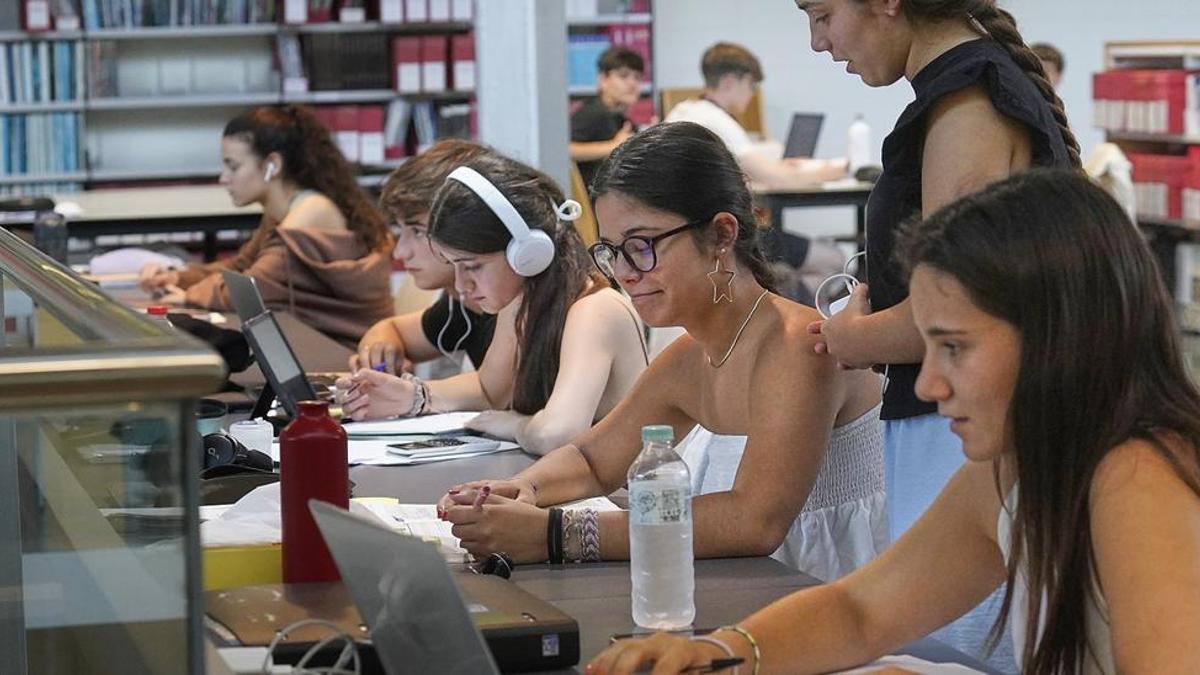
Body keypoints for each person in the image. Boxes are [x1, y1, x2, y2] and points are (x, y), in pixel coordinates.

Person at [589, 169, 1200, 675]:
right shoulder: (1018, 468)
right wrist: (720, 654)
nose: (931, 385)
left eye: (955, 347)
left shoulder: (1138, 478)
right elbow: (863, 609)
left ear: (1059, 335)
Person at [436, 122, 887, 582]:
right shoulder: (690, 357)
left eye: (642, 246)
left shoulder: (800, 346)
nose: (626, 273)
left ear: (720, 235)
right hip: (755, 585)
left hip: (835, 594)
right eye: (613, 250)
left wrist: (556, 532)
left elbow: (755, 520)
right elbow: (594, 461)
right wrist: (519, 490)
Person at [799, 1, 1080, 665]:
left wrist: (850, 338)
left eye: (822, 14)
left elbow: (955, 304)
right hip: (953, 426)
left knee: (968, 645)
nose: (818, 42)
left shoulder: (967, 102)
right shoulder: (959, 93)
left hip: (970, 429)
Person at [336, 153, 647, 456]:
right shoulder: (523, 300)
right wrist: (411, 397)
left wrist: (513, 424)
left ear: (526, 253)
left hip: (617, 500)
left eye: (472, 266)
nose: (460, 285)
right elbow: (488, 391)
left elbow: (557, 434)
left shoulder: (595, 310)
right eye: (453, 265)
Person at [137, 105, 393, 346]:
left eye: (233, 166)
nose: (223, 178)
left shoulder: (309, 212)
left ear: (273, 165)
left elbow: (252, 289)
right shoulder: (282, 212)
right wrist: (177, 277)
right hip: (316, 344)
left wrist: (186, 296)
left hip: (343, 353)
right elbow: (238, 267)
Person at [351, 139, 498, 375]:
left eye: (418, 231)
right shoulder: (462, 305)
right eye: (402, 230)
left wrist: (411, 395)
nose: (400, 252)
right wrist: (380, 352)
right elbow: (390, 329)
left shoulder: (515, 307)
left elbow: (491, 391)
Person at [570, 46, 645, 186]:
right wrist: (613, 147)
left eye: (637, 77)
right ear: (603, 79)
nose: (632, 83)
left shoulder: (619, 117)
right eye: (623, 76)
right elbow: (567, 149)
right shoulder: (594, 112)